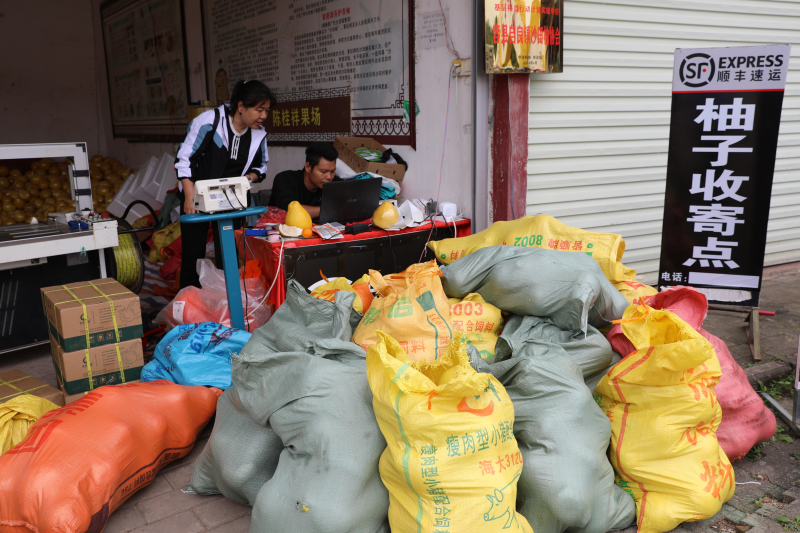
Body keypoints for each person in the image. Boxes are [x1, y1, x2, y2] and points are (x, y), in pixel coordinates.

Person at [174, 79, 276, 289]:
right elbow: (185, 160)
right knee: (193, 252)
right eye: (259, 110)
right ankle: (188, 297)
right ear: (241, 107)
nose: (264, 116)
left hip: (231, 198)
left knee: (228, 251)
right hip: (197, 195)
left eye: (266, 110)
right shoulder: (209, 122)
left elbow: (261, 167)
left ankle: (225, 296)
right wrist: (189, 197)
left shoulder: (258, 134)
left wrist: (247, 180)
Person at [269, 142, 341, 218]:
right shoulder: (285, 179)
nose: (329, 177)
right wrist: (330, 210)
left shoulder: (335, 183)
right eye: (323, 172)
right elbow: (290, 210)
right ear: (308, 167)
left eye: (332, 171)